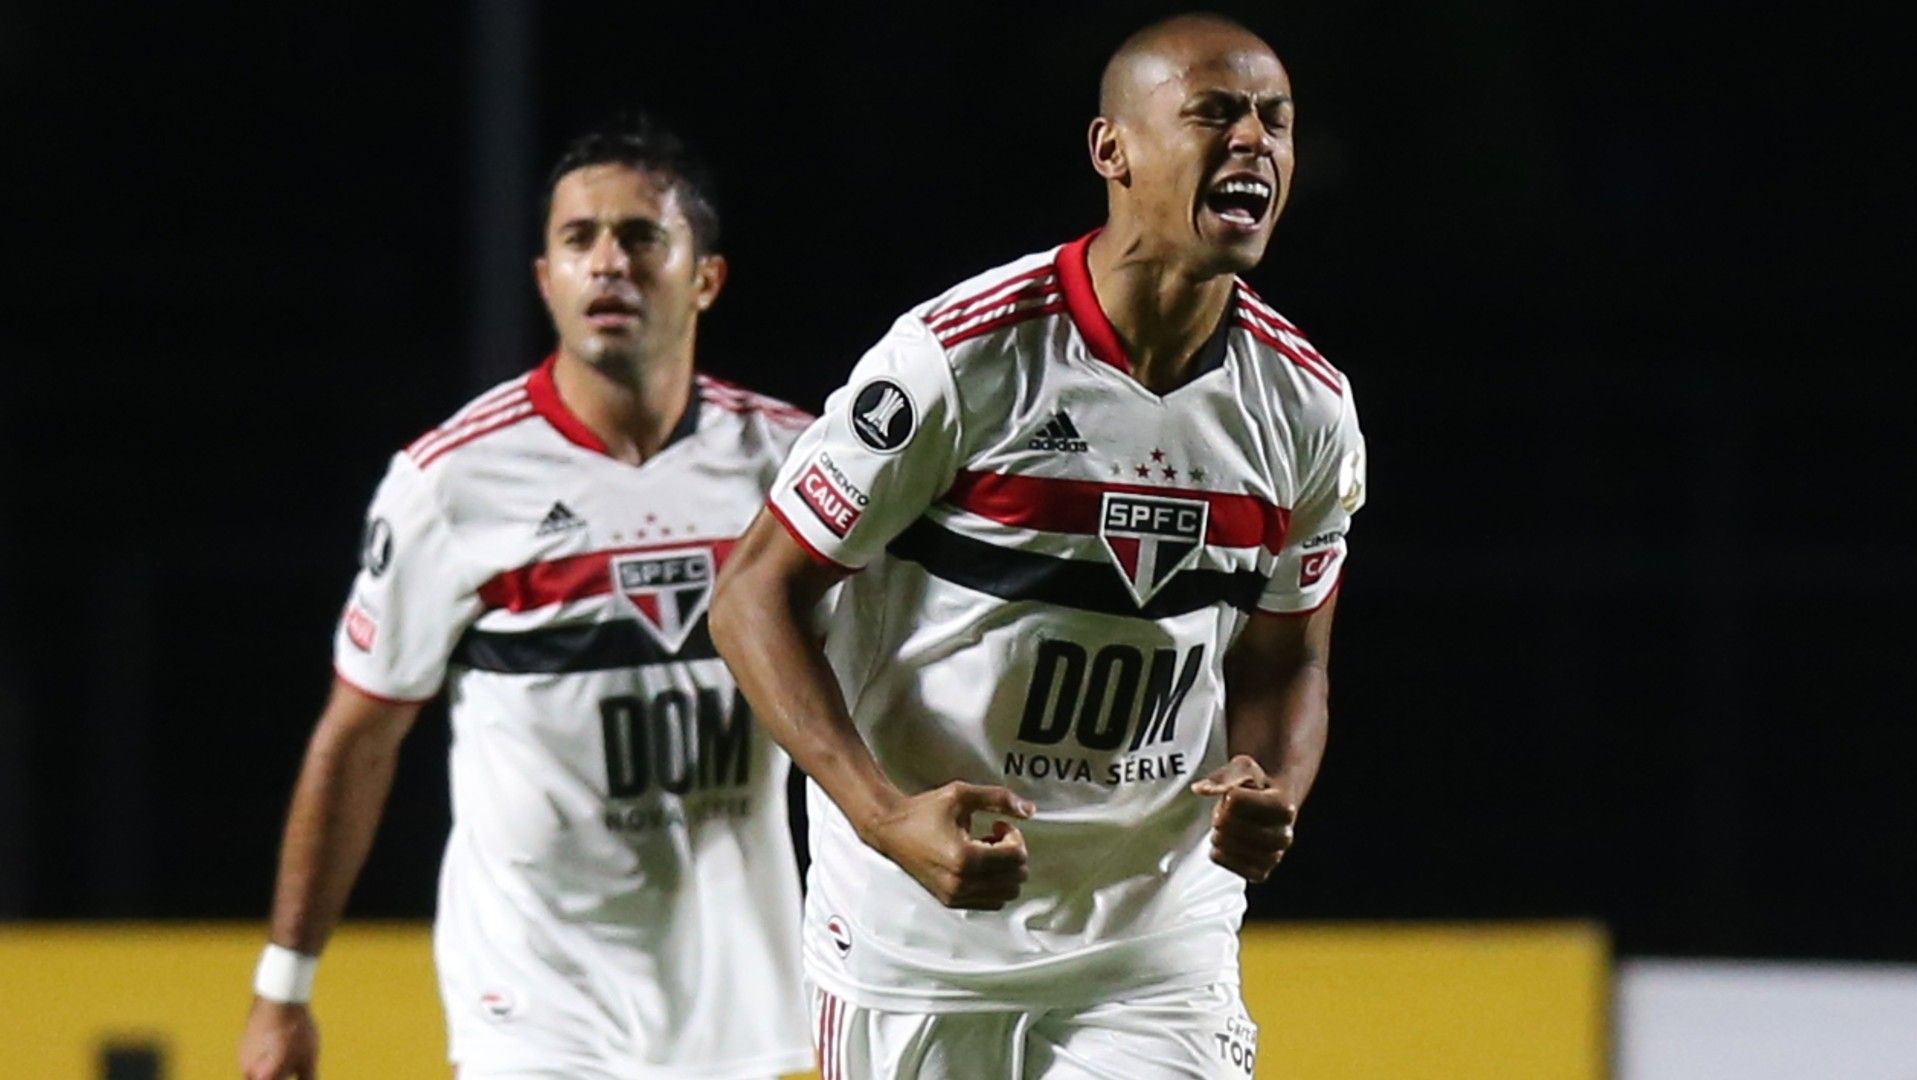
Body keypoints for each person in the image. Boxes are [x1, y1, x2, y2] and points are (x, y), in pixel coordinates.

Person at [709, 14, 1367, 1078]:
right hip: (915, 938)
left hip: (1154, 943)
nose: (1254, 143)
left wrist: (1275, 781)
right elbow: (752, 600)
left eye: (1275, 122)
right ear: (1113, 150)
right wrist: (885, 820)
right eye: (1214, 113)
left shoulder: (1306, 409)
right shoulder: (960, 362)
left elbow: (1287, 658)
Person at [239, 117, 815, 1080]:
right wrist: (284, 986)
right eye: (578, 239)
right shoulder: (452, 482)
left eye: (642, 237)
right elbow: (359, 737)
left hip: (736, 1002)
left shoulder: (795, 465)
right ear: (545, 278)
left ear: (705, 278)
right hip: (535, 1003)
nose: (608, 264)